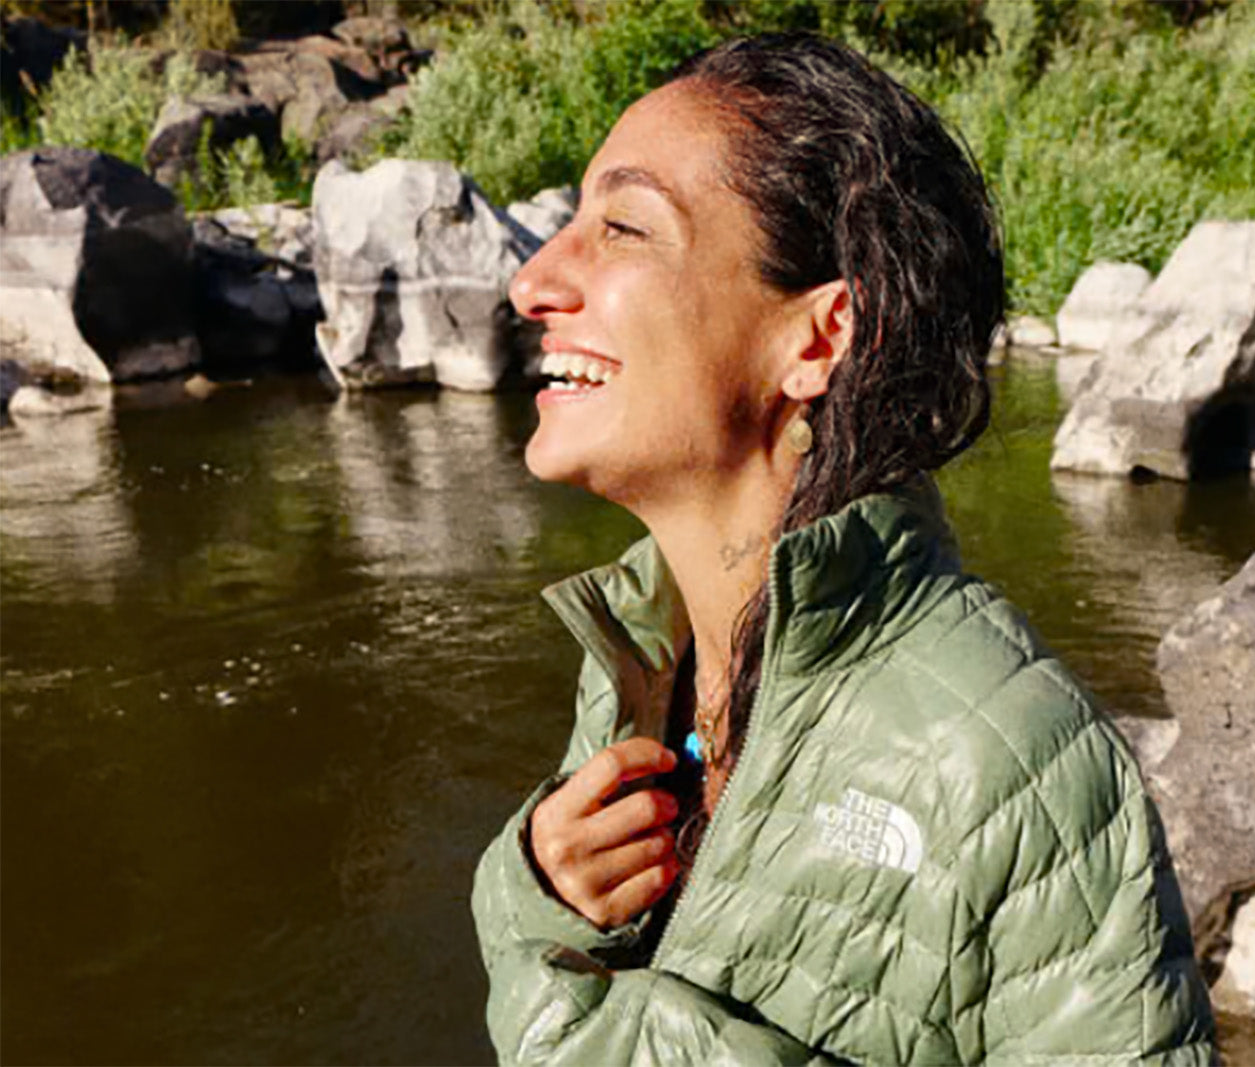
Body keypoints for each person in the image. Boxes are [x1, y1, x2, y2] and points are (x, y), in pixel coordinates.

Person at [473, 32, 1215, 1065]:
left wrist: (586, 1015)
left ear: (817, 338)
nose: (533, 281)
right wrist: (537, 893)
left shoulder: (1014, 761)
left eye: (624, 227)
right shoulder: (647, 650)